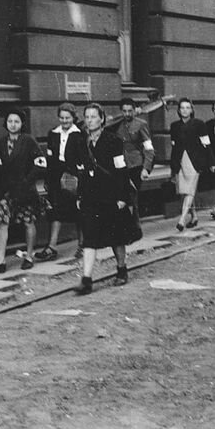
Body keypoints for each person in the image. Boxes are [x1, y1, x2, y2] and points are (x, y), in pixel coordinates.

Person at [73, 103, 134, 294]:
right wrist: (80, 195)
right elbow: (81, 171)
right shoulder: (81, 142)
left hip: (111, 195)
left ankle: (122, 269)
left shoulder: (113, 141)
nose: (90, 120)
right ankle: (86, 279)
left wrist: (124, 197)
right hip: (91, 196)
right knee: (89, 237)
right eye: (87, 117)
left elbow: (121, 169)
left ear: (102, 119)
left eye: (93, 117)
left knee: (116, 236)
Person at [0, 107, 47, 273]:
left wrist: (26, 181)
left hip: (25, 191)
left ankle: (28, 256)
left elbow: (41, 164)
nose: (12, 125)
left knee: (28, 221)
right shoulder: (1, 143)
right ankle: (1, 261)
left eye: (16, 122)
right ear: (5, 123)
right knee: (3, 222)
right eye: (10, 121)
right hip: (7, 191)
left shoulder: (28, 141)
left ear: (22, 124)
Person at [34, 103, 85, 262]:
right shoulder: (53, 134)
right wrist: (48, 180)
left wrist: (79, 178)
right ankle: (52, 247)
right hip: (56, 176)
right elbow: (50, 158)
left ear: (73, 118)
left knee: (78, 212)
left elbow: (83, 158)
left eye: (67, 118)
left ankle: (82, 245)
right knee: (55, 211)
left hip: (74, 176)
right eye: (62, 118)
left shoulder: (80, 134)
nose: (64, 121)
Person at [107, 97, 155, 234]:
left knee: (132, 196)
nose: (127, 114)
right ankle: (127, 225)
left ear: (135, 111)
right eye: (124, 111)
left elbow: (148, 147)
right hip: (121, 164)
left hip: (136, 164)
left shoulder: (141, 124)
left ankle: (135, 226)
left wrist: (146, 168)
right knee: (122, 194)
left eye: (130, 111)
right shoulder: (117, 124)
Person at [170, 98, 215, 232]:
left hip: (195, 162)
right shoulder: (174, 126)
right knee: (185, 192)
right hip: (180, 162)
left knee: (189, 190)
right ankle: (194, 216)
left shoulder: (199, 124)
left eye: (187, 108)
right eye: (182, 108)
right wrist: (173, 167)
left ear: (191, 110)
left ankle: (182, 219)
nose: (185, 110)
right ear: (179, 110)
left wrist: (212, 162)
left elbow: (206, 144)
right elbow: (174, 147)